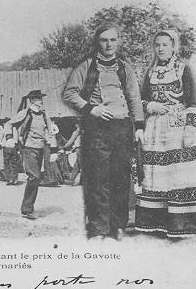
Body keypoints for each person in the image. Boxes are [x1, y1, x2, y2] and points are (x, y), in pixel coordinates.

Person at [62, 22, 145, 241]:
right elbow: (70, 94)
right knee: (97, 179)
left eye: (113, 40)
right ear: (98, 42)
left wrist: (139, 127)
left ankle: (118, 226)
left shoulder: (125, 68)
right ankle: (99, 228)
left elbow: (134, 98)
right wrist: (93, 109)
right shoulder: (86, 67)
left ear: (118, 42)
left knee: (120, 178)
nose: (109, 44)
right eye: (104, 40)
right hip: (97, 130)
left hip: (122, 129)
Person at [134, 30, 196, 238]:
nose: (160, 49)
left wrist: (189, 128)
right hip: (155, 130)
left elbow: (192, 102)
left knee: (179, 174)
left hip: (179, 128)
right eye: (157, 45)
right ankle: (157, 224)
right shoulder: (149, 72)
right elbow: (139, 101)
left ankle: (184, 224)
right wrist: (151, 105)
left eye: (165, 45)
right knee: (158, 176)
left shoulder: (183, 69)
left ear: (173, 46)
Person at [9, 90, 59, 219]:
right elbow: (10, 124)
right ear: (32, 101)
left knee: (36, 179)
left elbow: (50, 131)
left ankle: (28, 208)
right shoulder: (25, 113)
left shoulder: (43, 114)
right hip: (28, 148)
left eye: (41, 98)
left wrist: (54, 150)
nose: (41, 101)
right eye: (38, 99)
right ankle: (27, 209)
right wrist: (11, 138)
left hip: (41, 148)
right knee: (34, 177)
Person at [2, 120, 21, 185]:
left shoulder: (4, 128)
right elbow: (17, 138)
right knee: (13, 163)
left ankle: (9, 179)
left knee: (7, 164)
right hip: (13, 147)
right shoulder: (14, 128)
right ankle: (14, 179)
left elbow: (1, 138)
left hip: (7, 147)